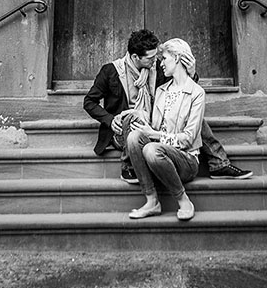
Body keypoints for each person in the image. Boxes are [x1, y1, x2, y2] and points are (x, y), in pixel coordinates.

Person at [82, 29, 253, 184]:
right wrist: (110, 120)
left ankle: (219, 164)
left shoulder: (157, 68)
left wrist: (192, 73)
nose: (156, 60)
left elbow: (183, 94)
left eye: (157, 56)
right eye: (150, 58)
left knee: (192, 112)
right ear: (135, 57)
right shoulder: (111, 71)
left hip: (155, 124)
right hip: (123, 131)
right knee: (133, 115)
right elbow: (89, 102)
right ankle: (129, 167)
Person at [125, 38, 207, 220]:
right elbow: (155, 126)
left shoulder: (196, 93)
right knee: (134, 138)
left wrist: (153, 134)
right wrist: (140, 119)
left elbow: (188, 138)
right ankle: (151, 200)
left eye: (165, 58)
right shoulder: (162, 90)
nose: (160, 63)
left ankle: (183, 199)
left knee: (151, 148)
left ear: (177, 58)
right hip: (158, 154)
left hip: (186, 160)